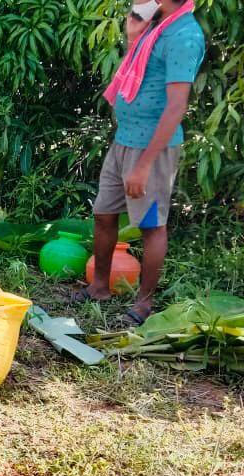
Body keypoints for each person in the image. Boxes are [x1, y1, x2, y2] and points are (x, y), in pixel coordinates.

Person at [74, 0, 205, 326]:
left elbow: (176, 107)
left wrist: (144, 165)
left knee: (151, 226)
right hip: (125, 141)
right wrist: (134, 38)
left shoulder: (184, 35)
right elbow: (137, 73)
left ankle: (144, 305)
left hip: (152, 151)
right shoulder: (157, 24)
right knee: (104, 213)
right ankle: (100, 287)